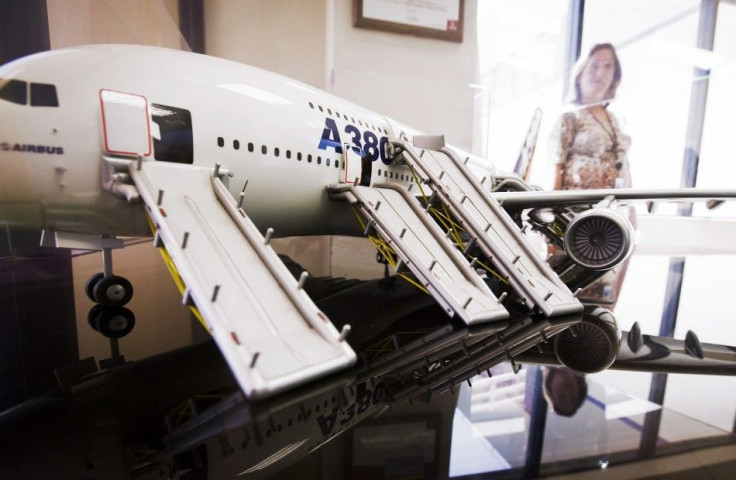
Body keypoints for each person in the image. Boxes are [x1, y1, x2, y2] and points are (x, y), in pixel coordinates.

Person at [550, 43, 634, 307]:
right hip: (574, 220)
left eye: (608, 66)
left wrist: (633, 219)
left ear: (615, 74)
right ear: (582, 70)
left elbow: (625, 168)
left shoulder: (616, 120)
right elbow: (556, 167)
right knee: (566, 292)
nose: (601, 72)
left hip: (610, 220)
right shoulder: (570, 117)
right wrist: (552, 224)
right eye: (595, 64)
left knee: (600, 299)